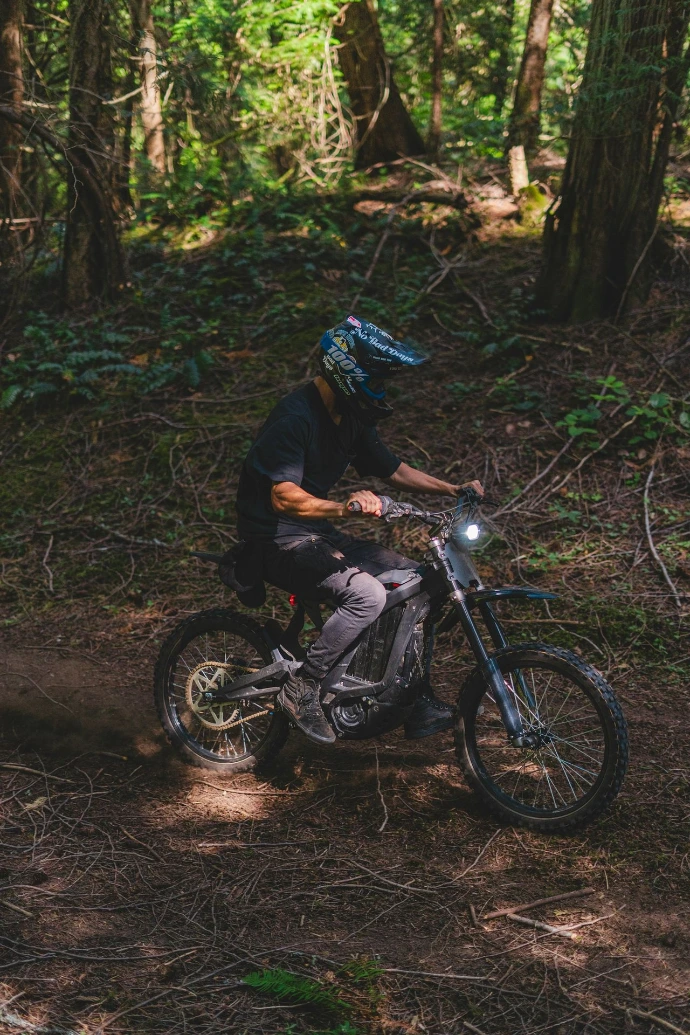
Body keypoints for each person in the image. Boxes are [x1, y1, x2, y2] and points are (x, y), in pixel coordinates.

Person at [235, 316, 483, 745]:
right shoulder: (295, 417)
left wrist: (452, 488)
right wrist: (345, 506)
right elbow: (283, 498)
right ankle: (303, 687)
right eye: (376, 376)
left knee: (420, 582)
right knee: (366, 594)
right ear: (348, 370)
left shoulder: (350, 417)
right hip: (277, 539)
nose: (381, 388)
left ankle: (410, 694)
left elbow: (392, 469)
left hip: (317, 532)